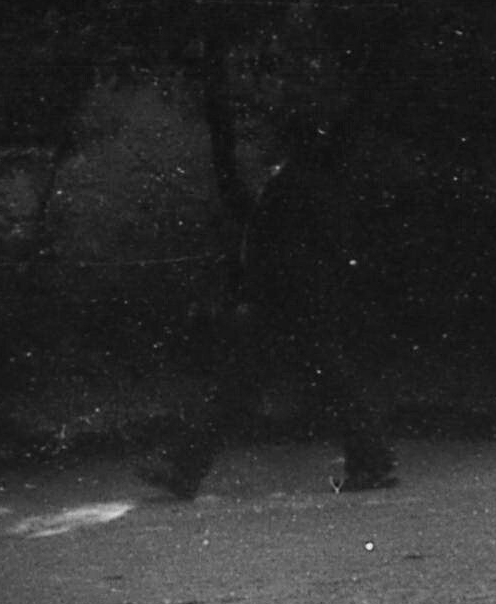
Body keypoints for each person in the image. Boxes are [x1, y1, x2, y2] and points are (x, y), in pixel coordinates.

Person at [139, 116, 396, 498]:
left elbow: (279, 250)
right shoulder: (308, 183)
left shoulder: (291, 185)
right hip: (298, 301)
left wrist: (255, 294)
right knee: (310, 382)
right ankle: (372, 461)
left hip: (286, 303)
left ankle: (184, 467)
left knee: (247, 385)